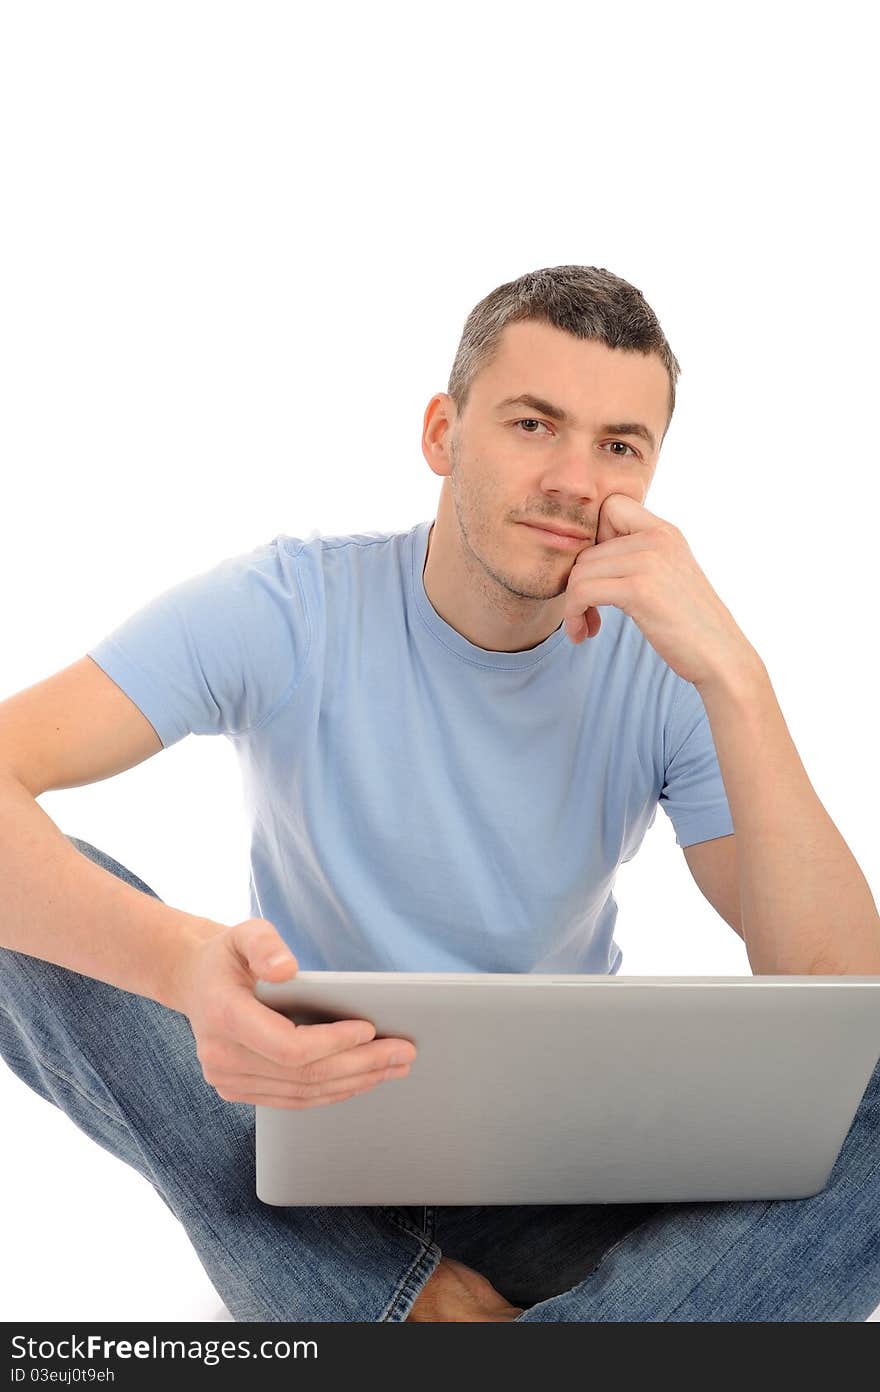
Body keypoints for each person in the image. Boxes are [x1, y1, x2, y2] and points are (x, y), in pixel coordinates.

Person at [1, 264, 879, 1323]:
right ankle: (456, 1312)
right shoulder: (285, 608)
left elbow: (836, 1009)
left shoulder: (670, 670)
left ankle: (397, 1318)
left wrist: (737, 678)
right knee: (36, 911)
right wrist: (185, 968)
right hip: (303, 1139)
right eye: (532, 424)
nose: (570, 478)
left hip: (560, 1179)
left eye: (617, 446)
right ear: (442, 434)